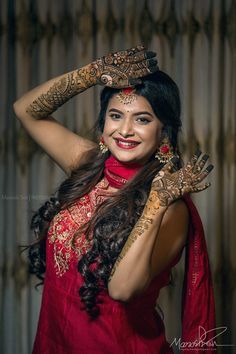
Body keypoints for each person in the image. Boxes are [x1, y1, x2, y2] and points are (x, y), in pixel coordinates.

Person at [13, 46, 216, 354]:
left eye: (142, 119)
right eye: (116, 116)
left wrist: (157, 202)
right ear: (103, 123)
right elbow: (25, 110)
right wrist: (93, 73)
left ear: (164, 131)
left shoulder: (171, 207)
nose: (125, 130)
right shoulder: (89, 165)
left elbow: (122, 290)